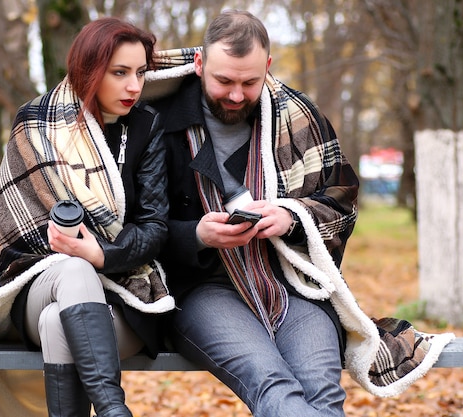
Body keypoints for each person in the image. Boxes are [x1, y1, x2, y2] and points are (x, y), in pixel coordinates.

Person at [149, 10, 358, 417]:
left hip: (290, 285)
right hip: (202, 289)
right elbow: (135, 226)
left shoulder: (298, 117)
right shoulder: (157, 123)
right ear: (199, 64)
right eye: (223, 81)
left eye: (250, 82)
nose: (236, 95)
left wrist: (292, 216)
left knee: (323, 393)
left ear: (268, 67)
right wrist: (197, 236)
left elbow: (343, 197)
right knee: (272, 384)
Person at [0, 17, 174, 417]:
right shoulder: (36, 123)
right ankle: (114, 411)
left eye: (140, 73)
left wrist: (101, 254)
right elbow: (15, 225)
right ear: (89, 70)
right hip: (39, 282)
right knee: (72, 271)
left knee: (57, 323)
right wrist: (76, 256)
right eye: (120, 73)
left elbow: (155, 228)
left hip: (123, 295)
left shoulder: (146, 126)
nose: (134, 87)